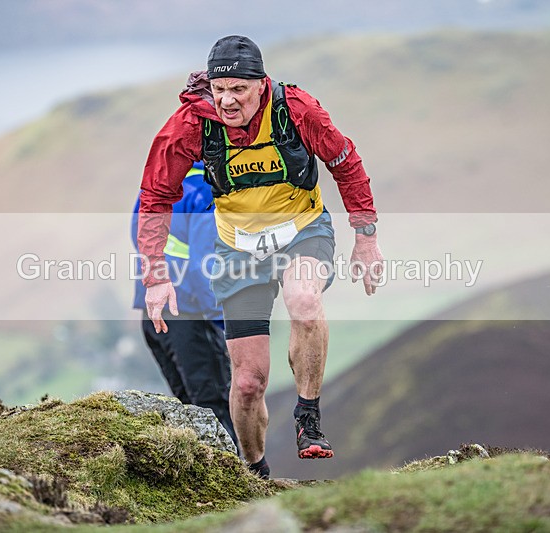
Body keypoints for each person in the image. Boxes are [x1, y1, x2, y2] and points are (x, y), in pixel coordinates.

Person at [136, 36, 383, 479]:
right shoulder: (192, 123)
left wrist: (365, 238)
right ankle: (256, 473)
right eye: (219, 89)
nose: (228, 101)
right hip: (238, 250)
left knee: (304, 301)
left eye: (239, 90)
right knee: (248, 384)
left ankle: (308, 419)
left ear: (261, 84)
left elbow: (345, 162)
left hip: (302, 230)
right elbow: (155, 194)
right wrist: (156, 276)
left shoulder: (296, 110)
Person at [131, 161, 238, 448]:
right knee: (214, 411)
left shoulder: (156, 183)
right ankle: (240, 488)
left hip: (152, 317)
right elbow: (206, 270)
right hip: (191, 318)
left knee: (189, 412)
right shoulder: (205, 191)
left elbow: (138, 236)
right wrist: (224, 326)